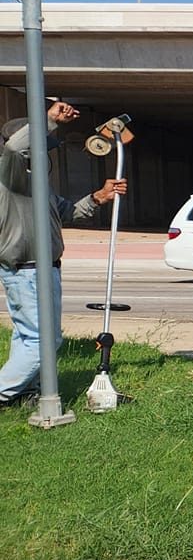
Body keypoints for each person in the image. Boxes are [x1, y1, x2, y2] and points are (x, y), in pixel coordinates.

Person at [1, 100, 128, 407]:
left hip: (41, 269)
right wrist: (47, 119)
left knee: (27, 338)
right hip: (27, 269)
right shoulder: (9, 175)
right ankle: (4, 393)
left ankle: (25, 392)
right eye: (43, 148)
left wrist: (99, 197)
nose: (48, 155)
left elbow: (67, 211)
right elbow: (17, 149)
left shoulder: (35, 186)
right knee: (44, 341)